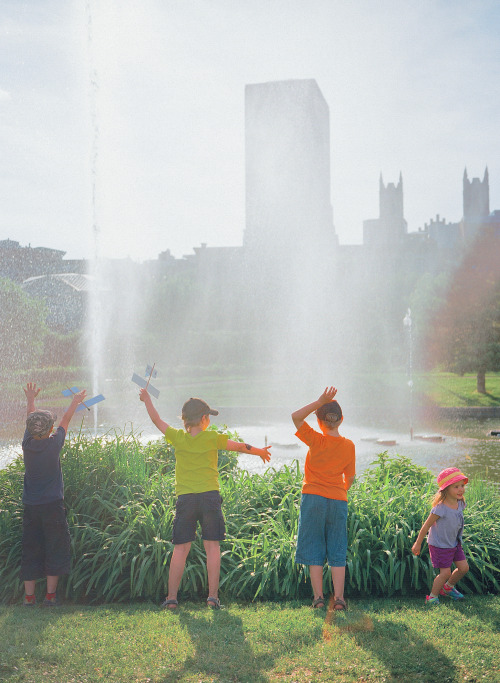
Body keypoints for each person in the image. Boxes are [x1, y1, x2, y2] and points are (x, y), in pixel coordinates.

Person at [139, 388, 271, 610]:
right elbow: (239, 446)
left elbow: (156, 419)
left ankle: (171, 599)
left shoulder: (177, 437)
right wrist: (259, 452)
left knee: (180, 549)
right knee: (212, 547)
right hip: (209, 497)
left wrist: (147, 399)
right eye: (208, 416)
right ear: (203, 419)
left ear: (184, 419)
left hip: (186, 499)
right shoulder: (212, 437)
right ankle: (212, 597)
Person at [21, 382, 86, 606]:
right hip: (53, 506)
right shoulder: (54, 444)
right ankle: (50, 596)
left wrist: (31, 400)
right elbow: (65, 421)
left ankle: (29, 599)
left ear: (30, 430)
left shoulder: (27, 444)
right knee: (55, 546)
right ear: (51, 430)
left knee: (30, 548)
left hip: (31, 506)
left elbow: (32, 418)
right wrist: (75, 401)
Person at [292, 387, 355, 611]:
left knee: (314, 548)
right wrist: (340, 492)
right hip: (338, 501)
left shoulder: (316, 440)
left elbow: (295, 417)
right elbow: (350, 477)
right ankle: (339, 599)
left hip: (313, 499)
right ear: (341, 420)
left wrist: (318, 402)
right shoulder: (349, 446)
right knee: (337, 548)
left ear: (319, 420)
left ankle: (318, 598)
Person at [412, 467, 469, 605]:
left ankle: (448, 588)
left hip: (454, 543)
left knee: (464, 568)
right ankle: (432, 597)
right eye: (456, 487)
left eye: (462, 485)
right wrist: (418, 543)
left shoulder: (460, 503)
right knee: (445, 573)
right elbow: (426, 526)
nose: (461, 489)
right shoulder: (440, 508)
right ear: (446, 489)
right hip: (440, 545)